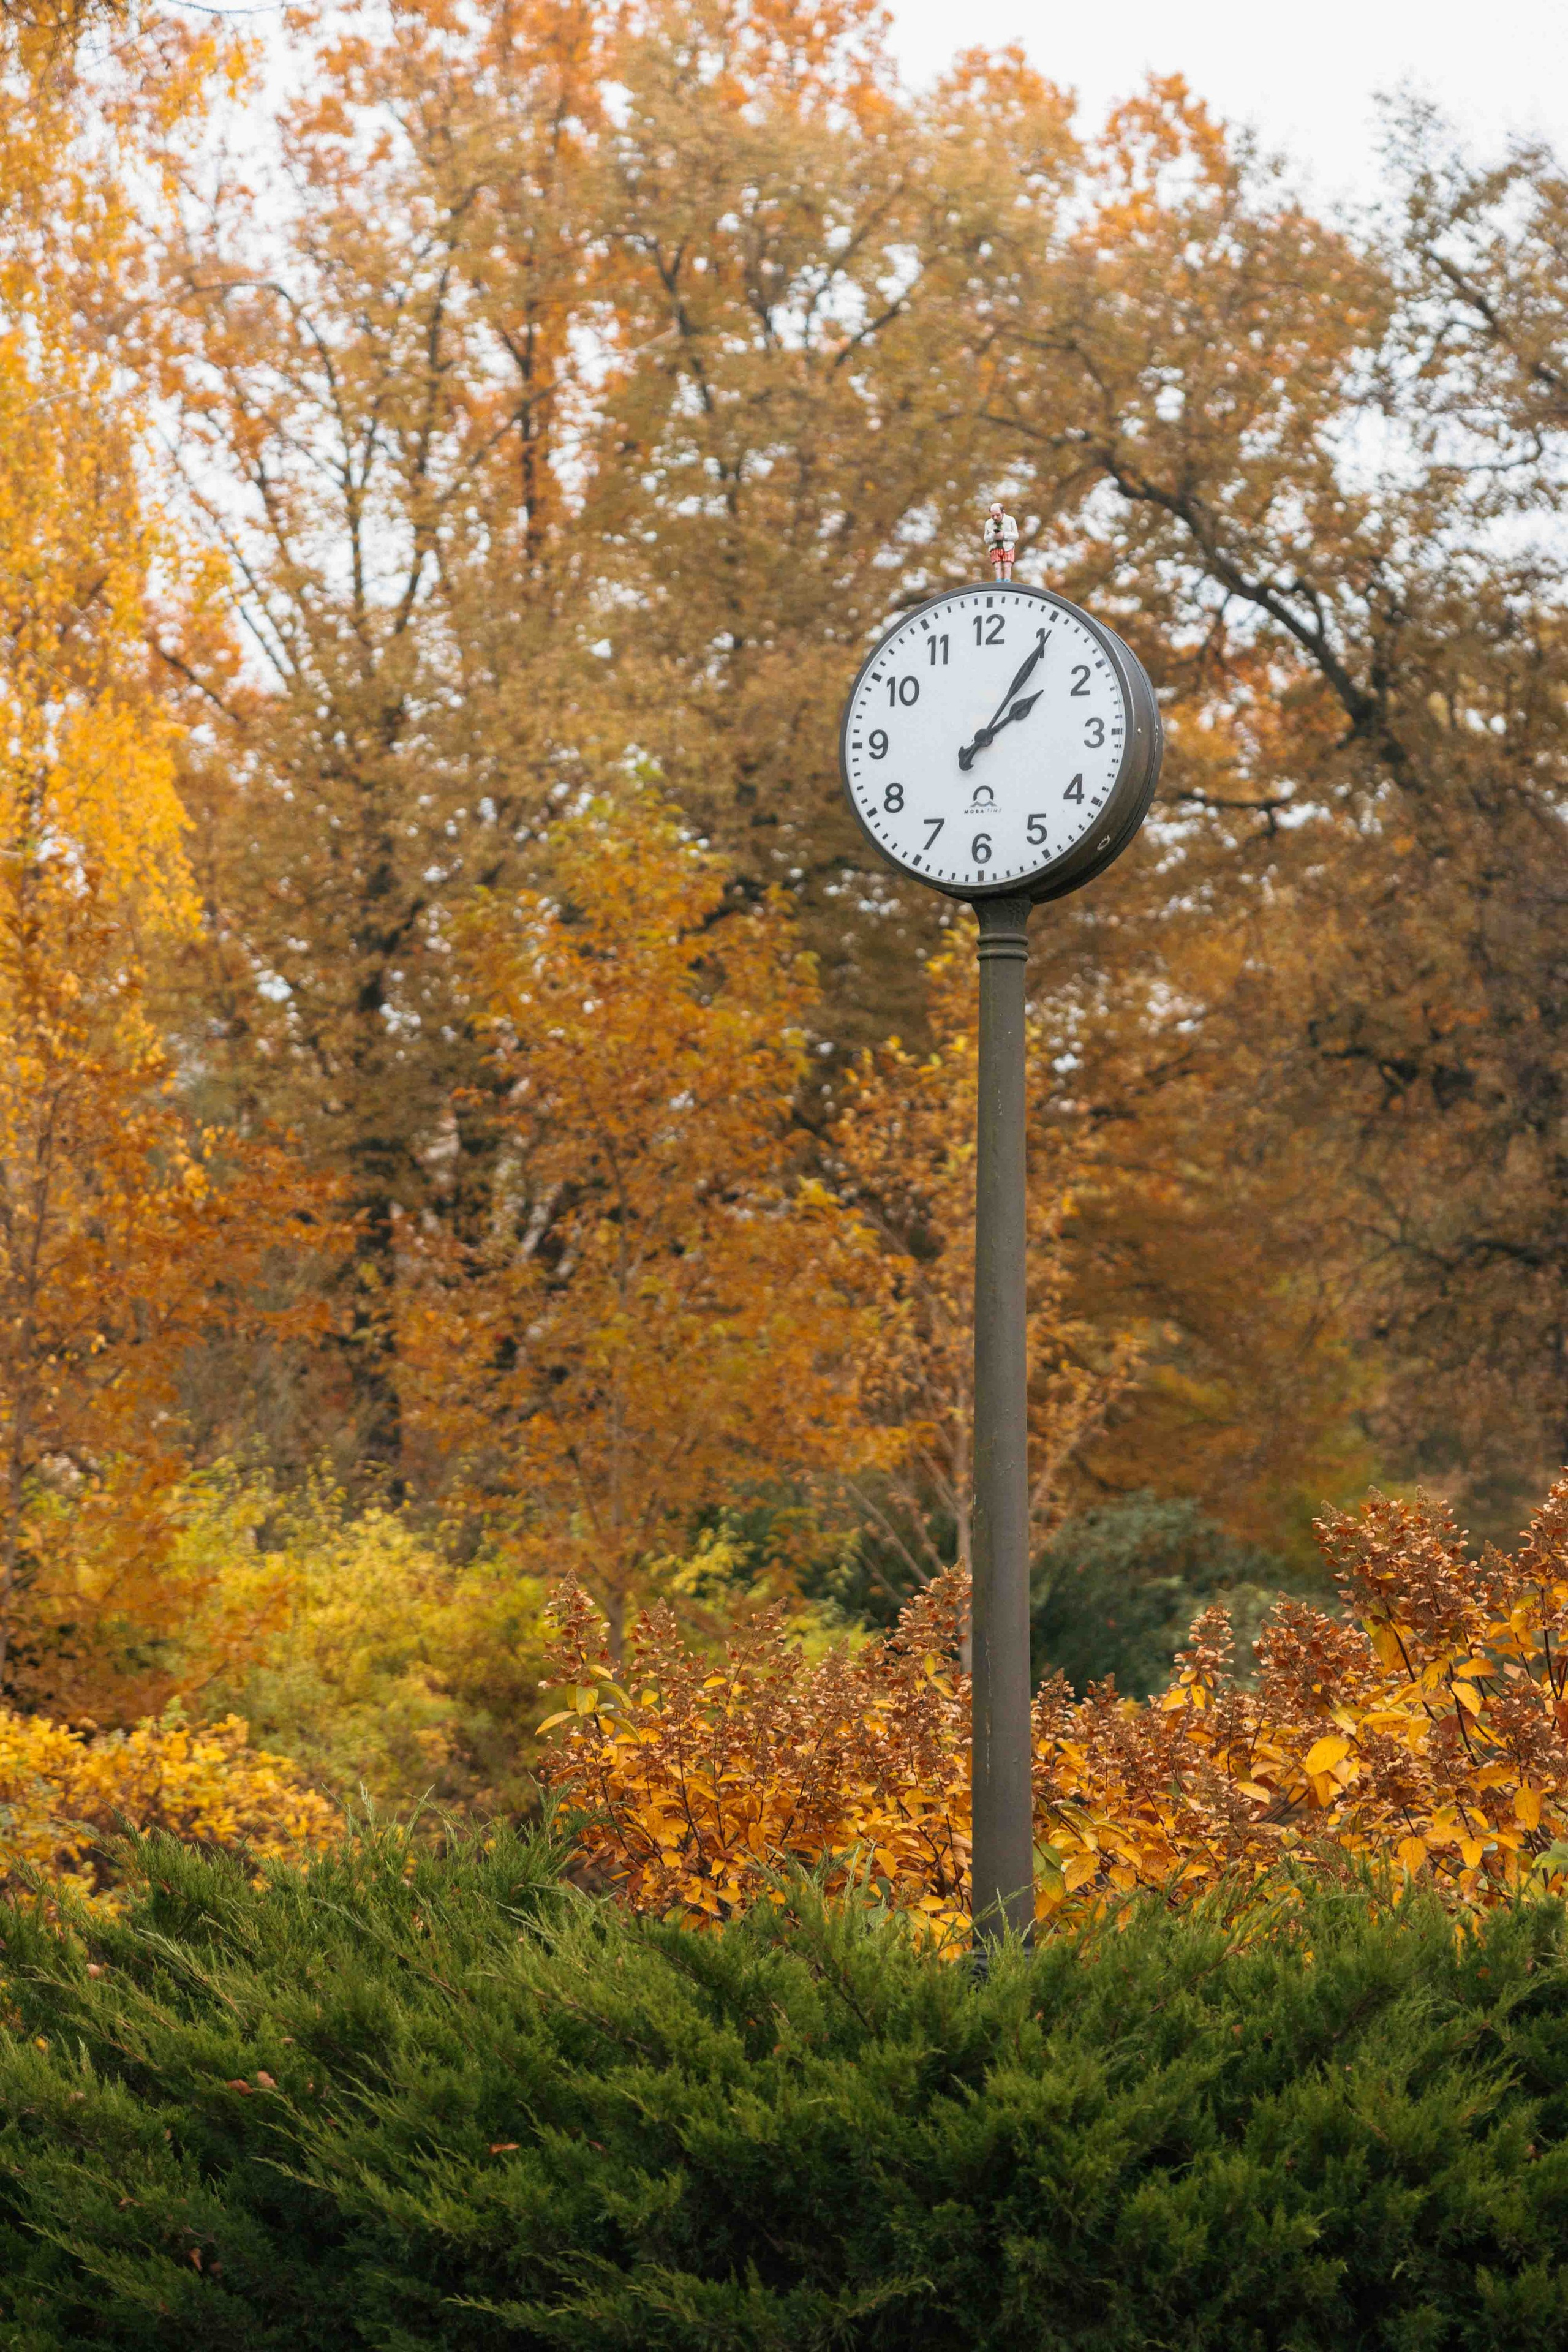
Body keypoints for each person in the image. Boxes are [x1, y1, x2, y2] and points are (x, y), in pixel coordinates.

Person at [984, 500, 1017, 580]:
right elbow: (986, 539)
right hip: (995, 548)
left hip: (1008, 548)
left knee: (1007, 565)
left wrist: (1004, 536)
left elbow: (1016, 536)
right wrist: (993, 536)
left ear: (1003, 512)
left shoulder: (1011, 520)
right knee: (997, 566)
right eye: (993, 516)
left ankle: (1007, 580)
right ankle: (998, 580)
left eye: (998, 515)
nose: (995, 518)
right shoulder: (988, 523)